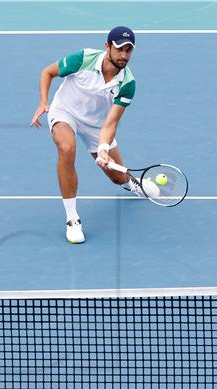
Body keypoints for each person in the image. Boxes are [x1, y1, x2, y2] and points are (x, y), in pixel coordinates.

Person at [31, 26, 138, 244]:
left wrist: (103, 149)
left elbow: (111, 122)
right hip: (65, 111)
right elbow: (47, 72)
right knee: (67, 148)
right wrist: (44, 102)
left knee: (117, 176)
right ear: (107, 46)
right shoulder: (83, 59)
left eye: (128, 50)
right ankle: (72, 219)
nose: (124, 55)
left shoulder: (128, 84)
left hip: (98, 125)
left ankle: (132, 184)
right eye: (119, 49)